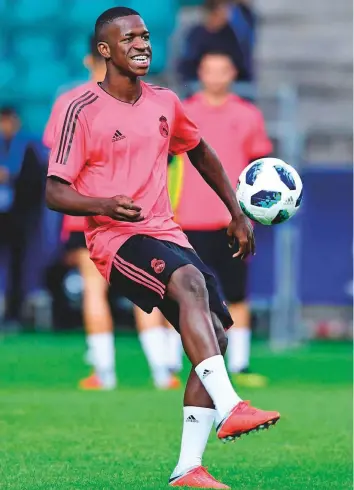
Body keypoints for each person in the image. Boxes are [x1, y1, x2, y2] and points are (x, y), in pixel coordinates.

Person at [45, 7, 280, 488]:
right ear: (105, 50)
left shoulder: (165, 102)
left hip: (165, 232)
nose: (142, 44)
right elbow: (54, 190)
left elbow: (199, 149)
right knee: (191, 284)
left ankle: (188, 468)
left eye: (146, 36)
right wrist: (103, 203)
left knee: (216, 334)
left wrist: (236, 211)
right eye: (129, 38)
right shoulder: (80, 108)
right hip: (116, 240)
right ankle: (231, 406)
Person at [177, 51, 273, 387]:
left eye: (223, 69)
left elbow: (259, 169)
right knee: (187, 291)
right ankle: (183, 361)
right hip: (187, 216)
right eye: (209, 69)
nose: (216, 76)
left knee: (237, 291)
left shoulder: (248, 115)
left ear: (233, 73)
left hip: (233, 219)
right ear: (200, 73)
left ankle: (241, 363)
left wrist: (252, 211)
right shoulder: (183, 111)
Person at [43, 36, 116, 390]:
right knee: (150, 290)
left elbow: (57, 157)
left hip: (84, 208)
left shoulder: (69, 101)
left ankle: (104, 372)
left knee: (93, 289)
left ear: (90, 59)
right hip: (134, 208)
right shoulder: (141, 98)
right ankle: (164, 370)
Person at [0, 107, 45, 329]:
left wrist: (11, 178)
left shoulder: (27, 147)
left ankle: (14, 314)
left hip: (18, 216)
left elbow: (36, 181)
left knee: (18, 264)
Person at [178, 0, 248, 84]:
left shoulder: (231, 33)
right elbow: (189, 63)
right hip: (199, 81)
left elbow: (239, 61)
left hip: (227, 81)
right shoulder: (196, 33)